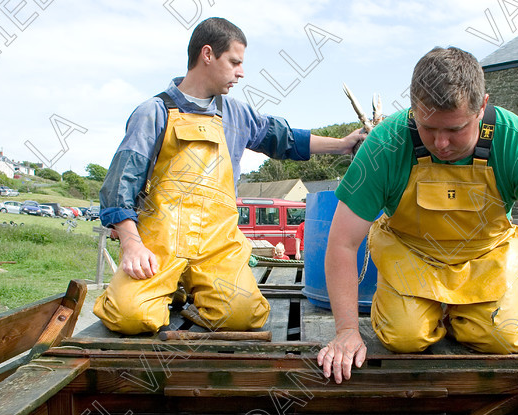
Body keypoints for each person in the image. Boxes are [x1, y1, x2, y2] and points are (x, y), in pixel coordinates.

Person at [317, 47, 518, 389]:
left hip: (485, 257)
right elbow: (343, 242)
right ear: (413, 110)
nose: (441, 143)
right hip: (410, 256)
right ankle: (425, 311)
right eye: (427, 127)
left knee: (504, 339)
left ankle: (460, 316)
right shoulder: (384, 145)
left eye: (455, 129)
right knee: (403, 336)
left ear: (482, 107)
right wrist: (346, 331)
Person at [93, 17, 364, 335]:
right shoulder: (153, 112)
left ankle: (191, 294)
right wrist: (132, 245)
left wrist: (344, 145)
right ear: (207, 54)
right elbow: (119, 184)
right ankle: (164, 288)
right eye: (235, 61)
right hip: (159, 244)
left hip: (217, 243)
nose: (241, 72)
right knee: (130, 317)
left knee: (243, 315)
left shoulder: (238, 115)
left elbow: (286, 138)